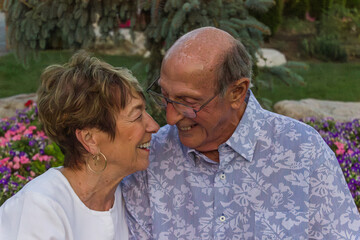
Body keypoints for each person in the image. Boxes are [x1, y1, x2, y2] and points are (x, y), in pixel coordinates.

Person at [121, 27, 360, 239]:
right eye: (166, 96)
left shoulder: (301, 151)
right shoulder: (152, 155)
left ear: (237, 92)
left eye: (188, 101)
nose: (170, 118)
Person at [0, 51, 159, 240]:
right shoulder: (40, 209)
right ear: (90, 139)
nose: (154, 126)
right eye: (137, 116)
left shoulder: (127, 196)